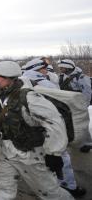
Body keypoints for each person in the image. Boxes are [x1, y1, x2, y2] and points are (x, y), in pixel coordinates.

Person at [0, 61, 73, 200]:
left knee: (50, 193)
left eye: (1, 77)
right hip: (7, 151)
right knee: (2, 186)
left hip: (31, 155)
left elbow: (54, 121)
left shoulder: (29, 97)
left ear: (12, 79)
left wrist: (53, 153)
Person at [23, 58, 86, 198]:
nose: (46, 70)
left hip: (31, 128)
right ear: (38, 69)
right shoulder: (46, 84)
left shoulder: (22, 81)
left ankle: (45, 187)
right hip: (49, 126)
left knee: (39, 158)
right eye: (44, 68)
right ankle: (68, 186)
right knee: (60, 156)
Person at [58, 59, 92, 153]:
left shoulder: (81, 77)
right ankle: (74, 141)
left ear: (68, 67)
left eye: (62, 67)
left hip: (79, 106)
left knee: (82, 125)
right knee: (70, 124)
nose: (60, 68)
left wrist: (84, 105)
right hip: (67, 105)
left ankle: (87, 143)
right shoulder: (62, 77)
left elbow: (87, 92)